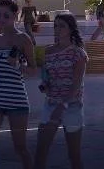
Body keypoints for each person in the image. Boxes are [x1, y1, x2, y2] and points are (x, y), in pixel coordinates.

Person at [0, 0, 36, 169]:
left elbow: (33, 70)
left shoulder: (24, 39)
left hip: (16, 100)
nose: (1, 19)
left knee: (20, 148)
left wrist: (19, 64)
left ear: (15, 15)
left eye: (6, 15)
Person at [33, 13, 87, 169]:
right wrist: (45, 85)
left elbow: (77, 84)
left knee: (74, 155)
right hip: (50, 104)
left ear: (71, 29)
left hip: (72, 106)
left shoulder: (78, 53)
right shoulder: (49, 51)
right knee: (41, 149)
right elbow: (47, 75)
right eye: (55, 25)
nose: (57, 29)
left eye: (62, 25)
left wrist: (62, 105)